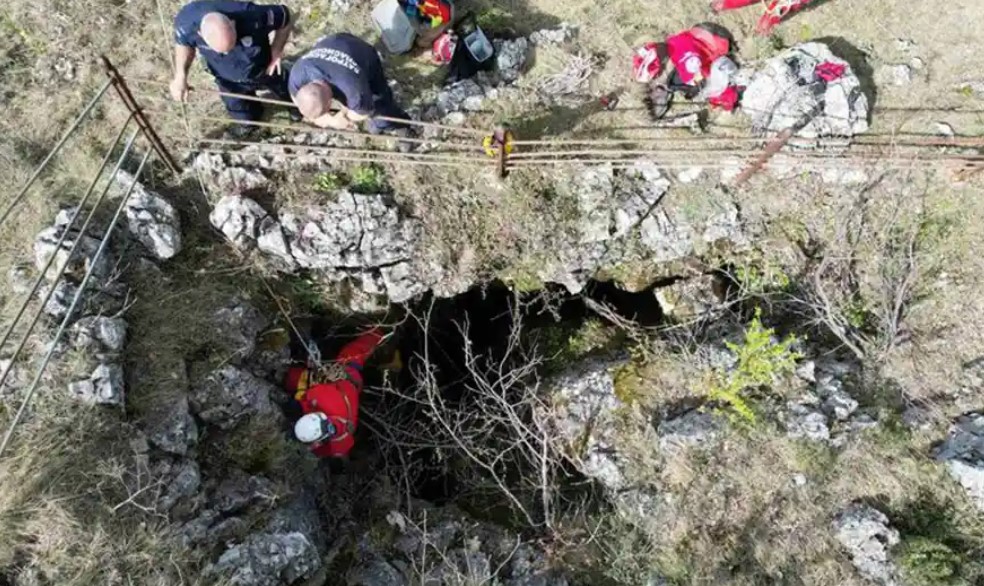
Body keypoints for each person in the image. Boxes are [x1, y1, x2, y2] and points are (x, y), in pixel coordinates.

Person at [170, 0, 297, 136]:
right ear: (200, 34)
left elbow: (286, 17)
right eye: (221, 51)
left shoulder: (252, 14)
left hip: (264, 67)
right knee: (242, 113)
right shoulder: (187, 23)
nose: (227, 53)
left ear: (232, 23)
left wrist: (276, 51)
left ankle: (297, 108)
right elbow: (183, 44)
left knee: (292, 93)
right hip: (226, 79)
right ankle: (249, 122)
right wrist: (180, 76)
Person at [288, 33, 413, 137]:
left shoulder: (353, 90)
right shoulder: (297, 73)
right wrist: (332, 120)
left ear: (329, 104)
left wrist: (342, 118)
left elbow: (362, 112)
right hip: (337, 41)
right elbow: (295, 98)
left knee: (379, 102)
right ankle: (381, 123)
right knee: (359, 103)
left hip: (364, 55)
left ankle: (400, 124)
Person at [286, 328, 385, 458]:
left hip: (343, 386)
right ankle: (378, 334)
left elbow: (309, 393)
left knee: (293, 378)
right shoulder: (338, 441)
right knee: (354, 353)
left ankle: (380, 333)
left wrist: (299, 405)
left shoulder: (337, 438)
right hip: (348, 380)